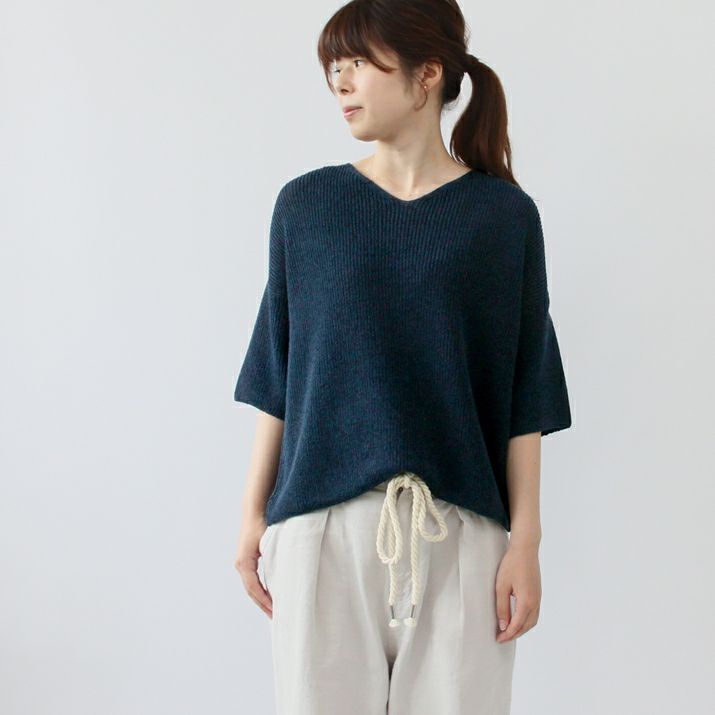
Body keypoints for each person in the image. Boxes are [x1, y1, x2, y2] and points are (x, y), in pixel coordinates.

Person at [233, 1, 572, 713]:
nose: (340, 81)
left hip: (460, 537)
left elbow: (526, 395)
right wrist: (250, 517)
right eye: (334, 66)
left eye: (359, 62)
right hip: (321, 532)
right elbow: (278, 371)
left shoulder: (504, 218)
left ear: (427, 74)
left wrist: (526, 543)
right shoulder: (307, 207)